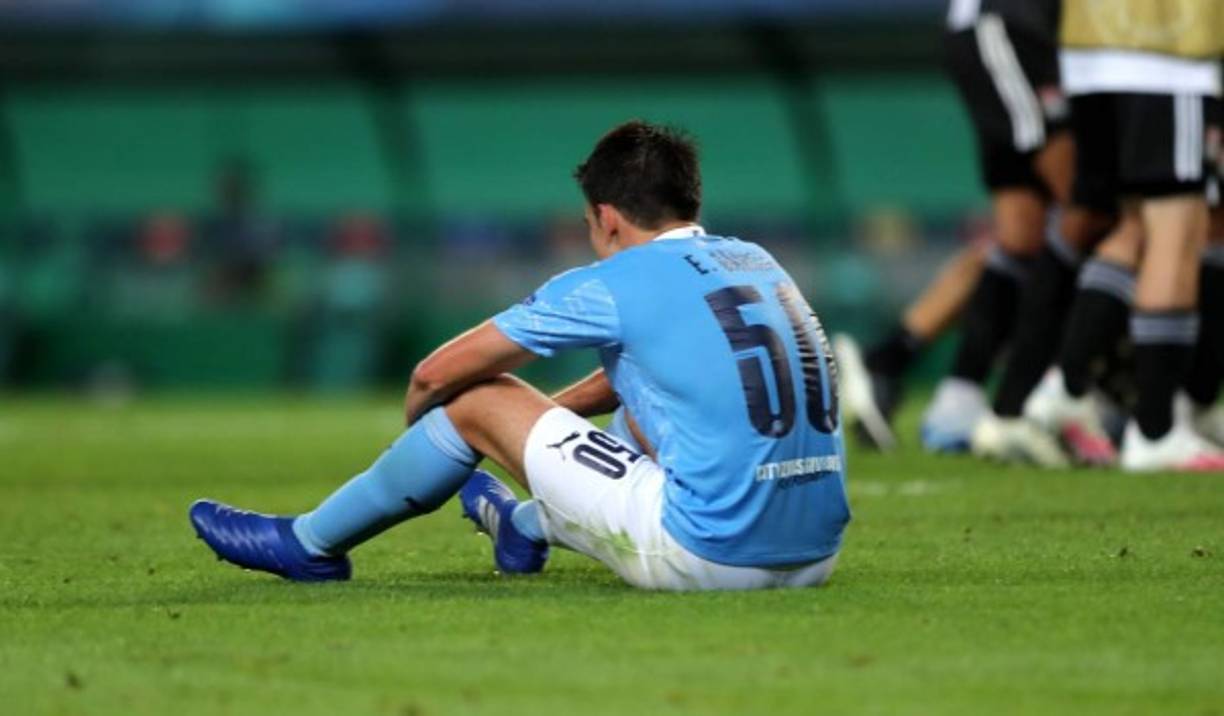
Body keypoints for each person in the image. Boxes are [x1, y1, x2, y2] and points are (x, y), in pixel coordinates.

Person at [188, 121, 851, 590]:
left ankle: (309, 545)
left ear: (609, 218)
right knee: (637, 423)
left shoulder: (617, 278)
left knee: (475, 396)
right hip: (817, 552)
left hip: (711, 554)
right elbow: (660, 378)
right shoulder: (756, 261)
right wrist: (537, 424)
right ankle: (522, 528)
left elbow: (436, 372)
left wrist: (444, 426)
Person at [972, 1, 1224, 471]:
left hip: (1091, 52)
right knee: (1177, 226)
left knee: (1129, 224)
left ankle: (1066, 388)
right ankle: (1155, 430)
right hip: (1166, 47)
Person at [838, 0, 1082, 452]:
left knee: (1023, 232)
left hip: (1013, 29)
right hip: (1012, 23)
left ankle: (927, 384)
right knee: (1087, 211)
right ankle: (1051, 397)